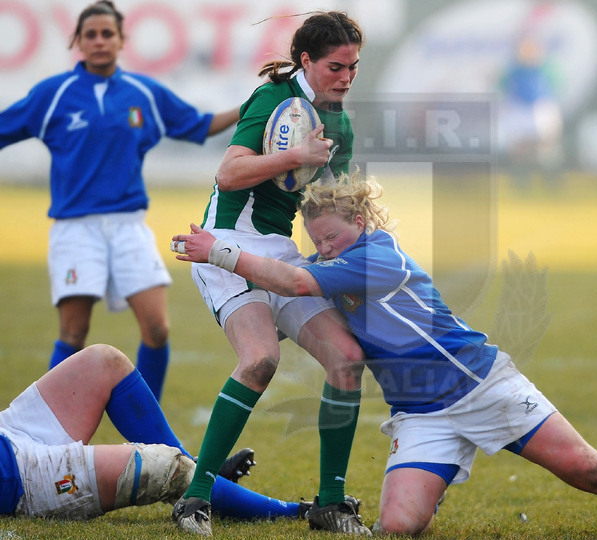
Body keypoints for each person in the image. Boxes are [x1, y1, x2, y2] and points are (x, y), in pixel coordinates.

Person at [172, 173, 597, 540]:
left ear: (361, 223)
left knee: (589, 470)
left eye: (332, 238)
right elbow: (296, 281)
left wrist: (219, 251)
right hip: (420, 414)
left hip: (480, 384)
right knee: (398, 526)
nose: (323, 249)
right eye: (316, 241)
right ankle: (437, 471)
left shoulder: (378, 256)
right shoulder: (336, 261)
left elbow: (295, 282)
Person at [173, 11, 369, 537]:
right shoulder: (272, 97)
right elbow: (228, 172)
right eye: (336, 67)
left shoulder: (341, 125)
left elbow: (324, 210)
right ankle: (194, 500)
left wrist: (350, 245)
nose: (347, 77)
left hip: (280, 252)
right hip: (224, 244)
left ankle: (331, 505)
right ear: (306, 60)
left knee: (347, 358)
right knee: (260, 359)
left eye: (353, 67)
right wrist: (296, 155)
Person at [0, 0, 240, 402]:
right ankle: (50, 429)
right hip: (76, 229)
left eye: (107, 34)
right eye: (90, 35)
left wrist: (250, 107)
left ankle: (148, 427)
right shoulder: (53, 94)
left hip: (130, 226)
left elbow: (199, 126)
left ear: (121, 39)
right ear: (78, 41)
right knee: (74, 333)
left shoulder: (143, 93)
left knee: (157, 329)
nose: (99, 41)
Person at [0, 343, 311, 523]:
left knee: (104, 361)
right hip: (18, 477)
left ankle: (200, 469)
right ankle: (293, 512)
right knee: (168, 470)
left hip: (9, 431)